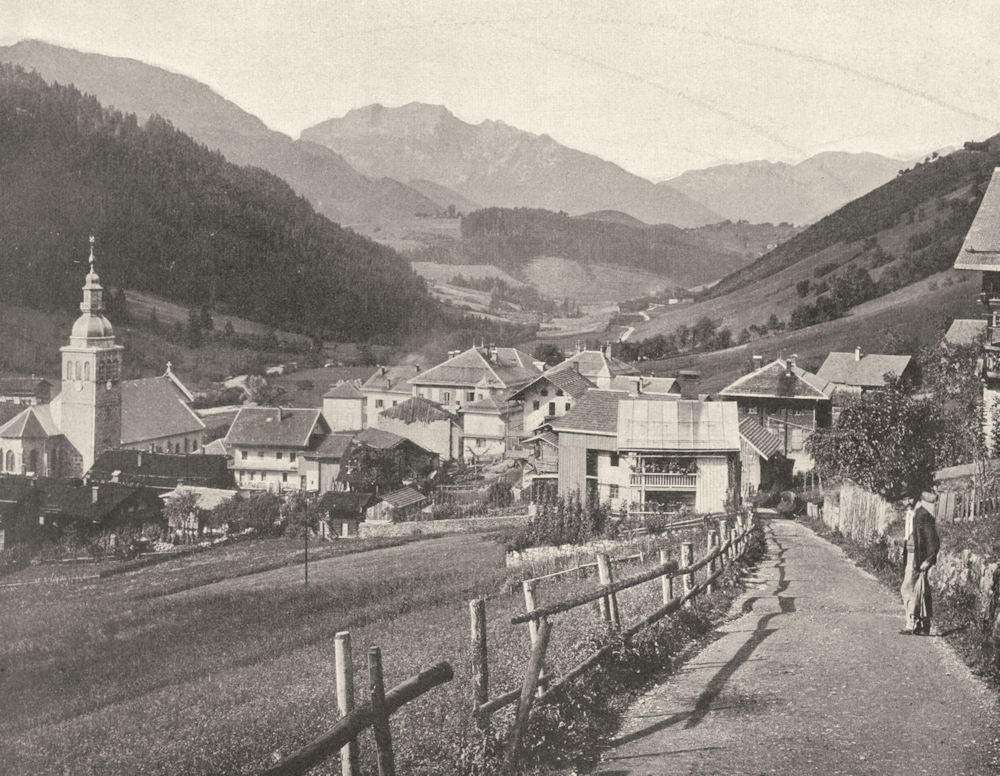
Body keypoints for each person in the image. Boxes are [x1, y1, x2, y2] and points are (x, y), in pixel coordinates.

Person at [900, 490, 941, 635]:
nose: (904, 503)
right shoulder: (912, 514)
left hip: (917, 558)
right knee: (917, 590)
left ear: (913, 498)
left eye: (906, 499)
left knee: (908, 589)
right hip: (911, 556)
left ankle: (912, 623)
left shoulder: (922, 515)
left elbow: (933, 540)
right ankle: (922, 623)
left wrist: (928, 559)